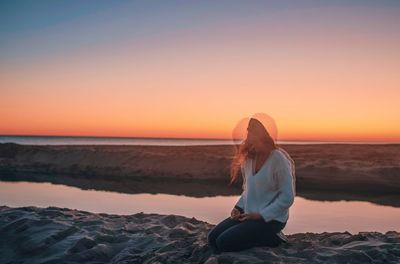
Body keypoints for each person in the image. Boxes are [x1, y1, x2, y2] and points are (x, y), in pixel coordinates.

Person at [207, 113, 296, 253]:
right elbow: (248, 190)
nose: (248, 135)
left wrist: (261, 215)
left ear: (263, 134)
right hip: (248, 214)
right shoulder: (249, 158)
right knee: (212, 238)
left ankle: (274, 238)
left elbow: (287, 197)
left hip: (271, 219)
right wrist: (238, 208)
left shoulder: (278, 159)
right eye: (248, 131)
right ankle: (254, 232)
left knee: (223, 242)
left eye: (252, 131)